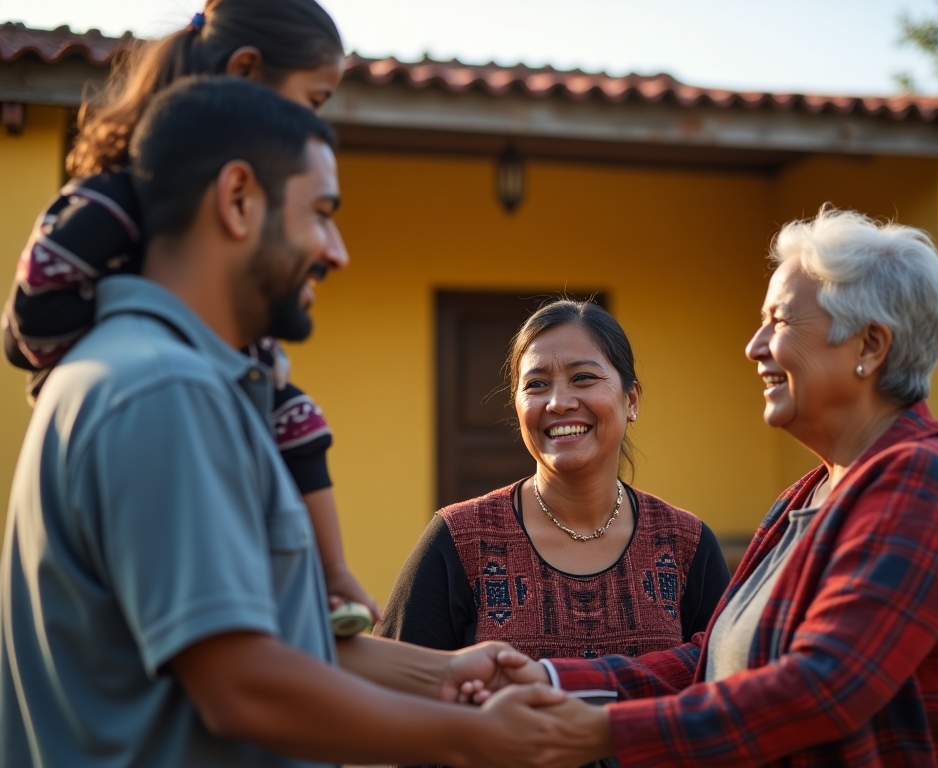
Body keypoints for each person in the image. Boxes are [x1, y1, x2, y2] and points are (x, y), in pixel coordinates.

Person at [0, 76, 588, 768]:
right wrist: (477, 739)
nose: (336, 250)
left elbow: (272, 647)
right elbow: (243, 686)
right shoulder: (166, 391)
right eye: (322, 213)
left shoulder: (143, 374)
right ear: (239, 200)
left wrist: (444, 673)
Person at [457, 207, 938, 767]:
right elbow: (712, 662)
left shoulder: (923, 485)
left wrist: (601, 731)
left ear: (870, 346)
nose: (754, 346)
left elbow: (819, 689)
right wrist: (555, 679)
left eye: (780, 321)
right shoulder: (804, 498)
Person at [0, 0, 377, 619]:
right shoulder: (118, 206)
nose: (333, 256)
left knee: (296, 415)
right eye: (311, 100)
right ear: (248, 71)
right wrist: (117, 352)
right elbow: (30, 321)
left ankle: (328, 577)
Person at [378, 300, 730, 662]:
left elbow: (729, 688)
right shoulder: (459, 539)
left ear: (632, 400)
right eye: (537, 384)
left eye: (583, 378)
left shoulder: (686, 544)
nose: (559, 403)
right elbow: (396, 685)